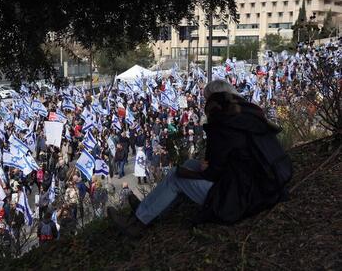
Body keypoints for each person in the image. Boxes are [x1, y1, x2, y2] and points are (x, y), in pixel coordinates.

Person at [107, 80, 292, 237]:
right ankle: (151, 209)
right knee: (189, 164)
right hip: (264, 184)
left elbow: (212, 173)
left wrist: (195, 170)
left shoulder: (224, 124)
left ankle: (137, 224)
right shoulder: (249, 114)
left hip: (242, 196)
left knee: (176, 176)